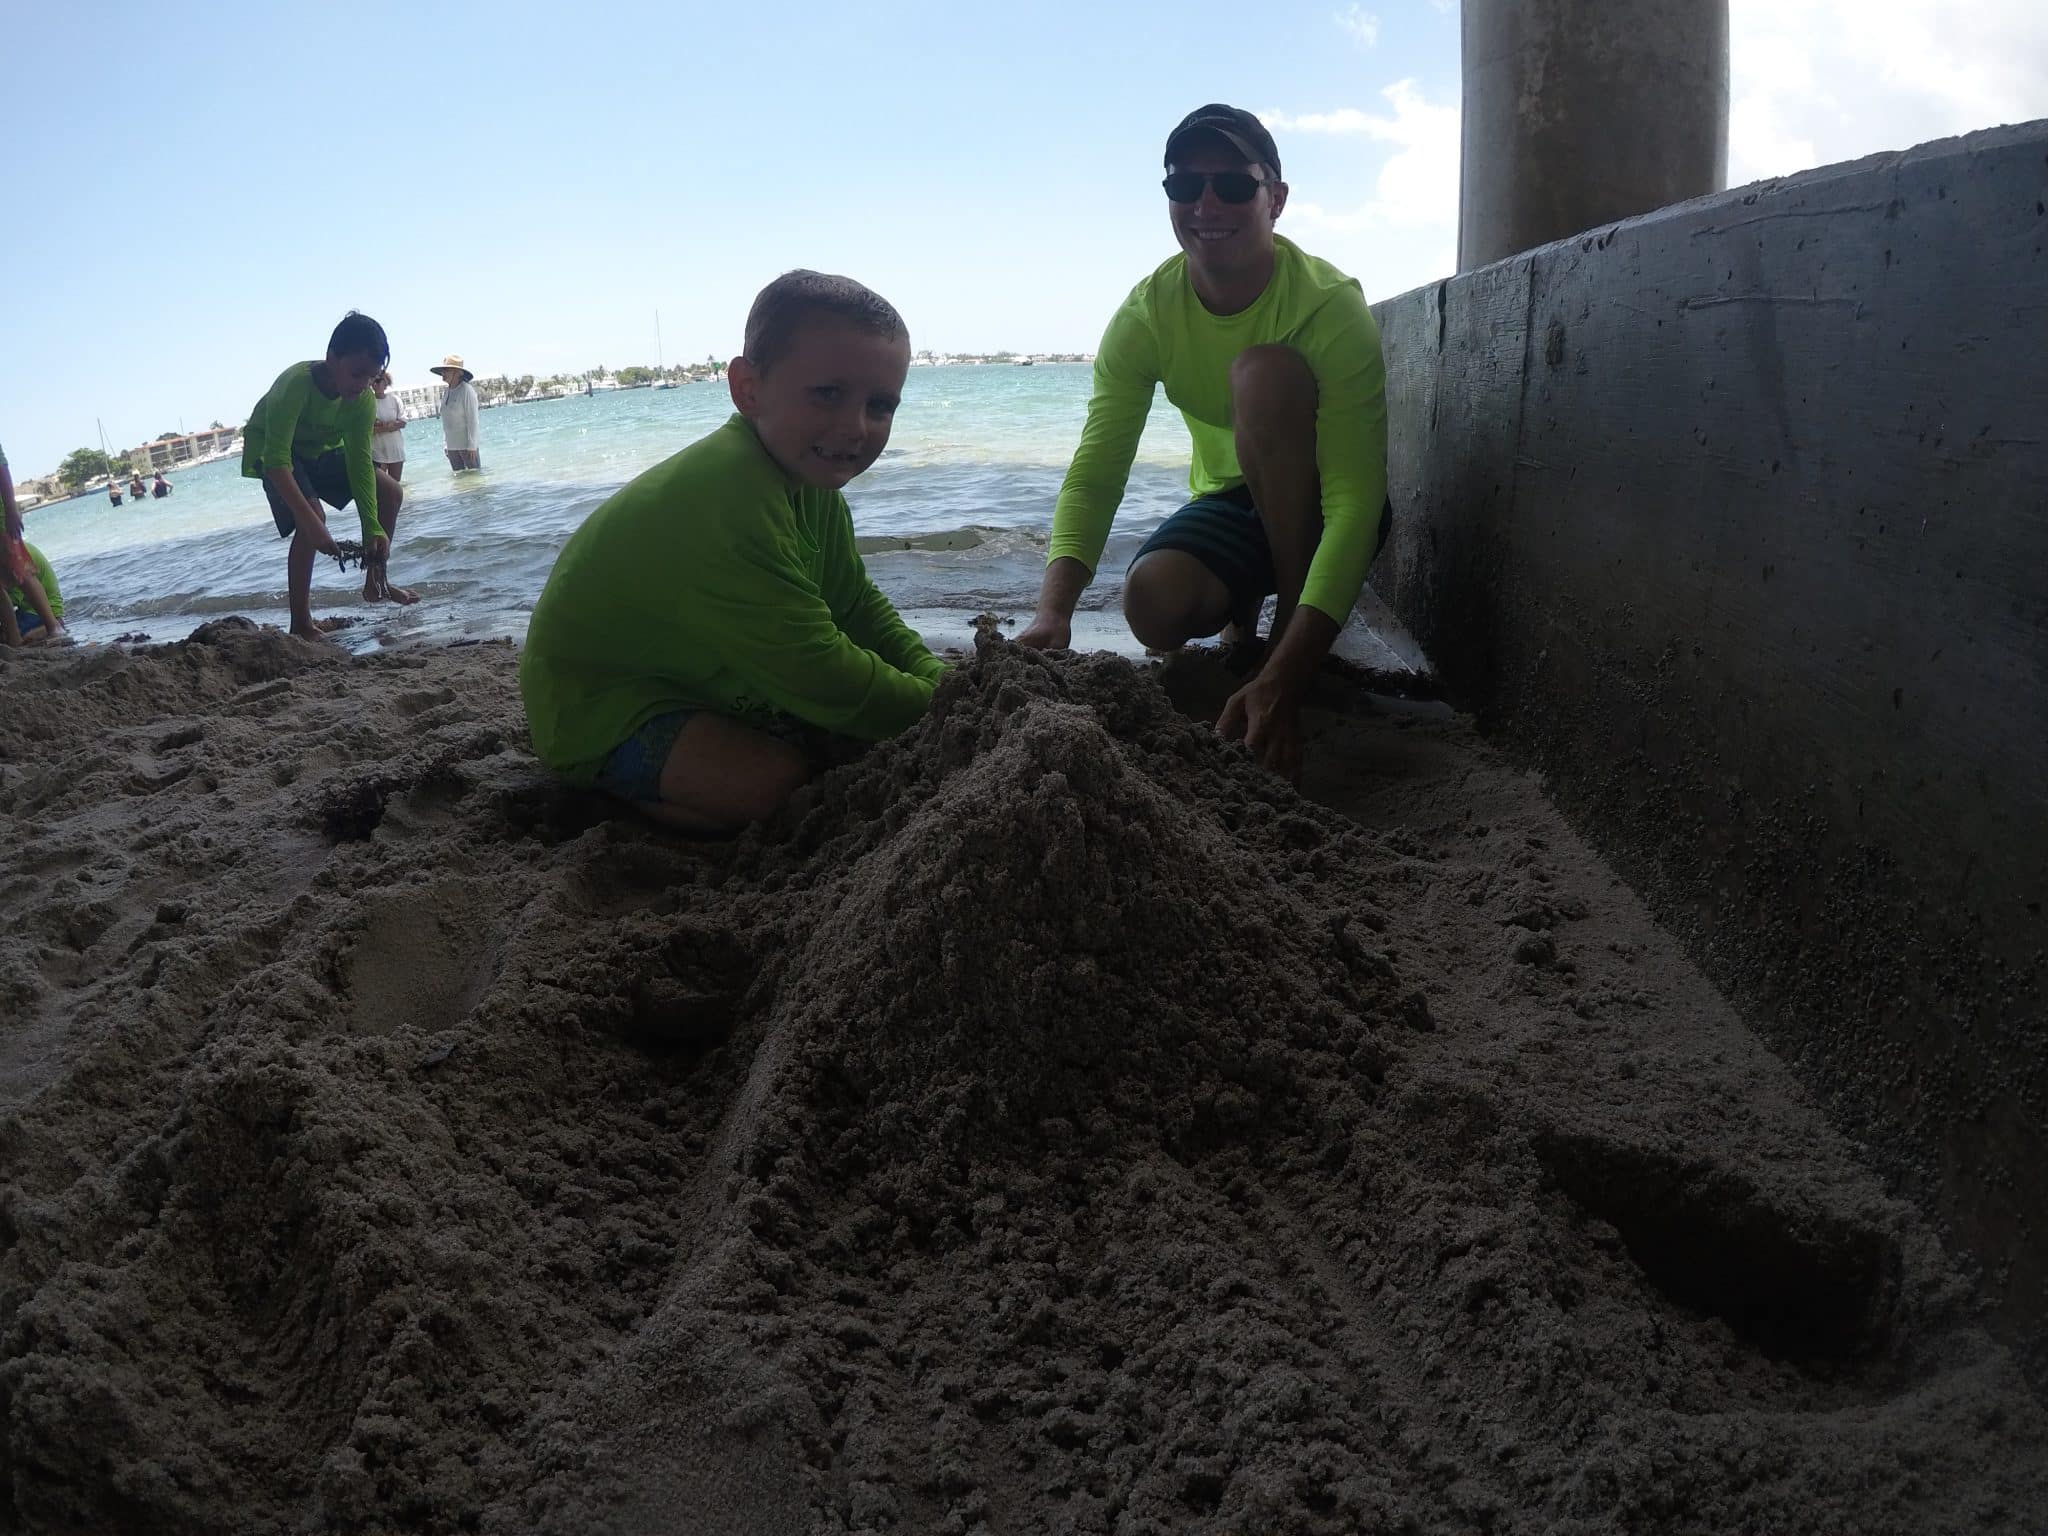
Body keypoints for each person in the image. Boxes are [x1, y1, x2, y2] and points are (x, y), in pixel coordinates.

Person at [1017, 104, 1391, 781]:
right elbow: (1098, 469)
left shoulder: (1328, 305)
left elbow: (1356, 501)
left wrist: (1286, 675)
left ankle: (1284, 643)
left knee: (1262, 374)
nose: (1206, 204)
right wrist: (1053, 613)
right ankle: (1243, 615)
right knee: (1151, 603)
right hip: (1228, 500)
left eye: (1234, 184)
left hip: (1318, 499)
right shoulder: (1146, 315)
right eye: (1185, 185)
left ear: (1276, 199)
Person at [520, 270, 944, 832]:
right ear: (748, 389)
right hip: (598, 704)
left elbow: (854, 605)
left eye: (881, 405)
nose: (855, 427)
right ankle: (606, 799)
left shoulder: (812, 485)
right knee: (778, 784)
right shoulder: (728, 497)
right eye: (828, 394)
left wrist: (936, 678)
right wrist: (937, 709)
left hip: (687, 674)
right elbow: (817, 669)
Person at [239, 310, 416, 639]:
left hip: (321, 451)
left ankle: (376, 583)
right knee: (313, 518)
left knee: (391, 492)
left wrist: (372, 526)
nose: (362, 385)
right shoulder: (295, 384)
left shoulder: (362, 400)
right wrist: (312, 523)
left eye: (372, 377)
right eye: (356, 373)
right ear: (331, 357)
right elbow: (277, 461)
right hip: (276, 451)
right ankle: (301, 623)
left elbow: (360, 462)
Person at [1, 441, 65, 645]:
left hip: (1, 515)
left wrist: (11, 509)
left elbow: (2, 468)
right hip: (22, 608)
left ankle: (53, 625)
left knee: (20, 570)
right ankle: (17, 638)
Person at [5, 541, 65, 640]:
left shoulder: (10, 557)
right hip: (28, 606)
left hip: (44, 608)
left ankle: (55, 624)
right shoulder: (11, 545)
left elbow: (14, 597)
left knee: (7, 636)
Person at [433, 355, 480, 471]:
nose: (443, 373)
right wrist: (446, 444)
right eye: (443, 370)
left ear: (457, 372)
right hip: (452, 447)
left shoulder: (466, 390)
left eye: (447, 370)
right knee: (459, 479)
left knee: (474, 476)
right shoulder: (446, 391)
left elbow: (473, 419)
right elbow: (446, 422)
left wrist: (472, 446)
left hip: (467, 446)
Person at [370, 370, 406, 482]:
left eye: (378, 381)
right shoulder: (369, 402)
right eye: (373, 381)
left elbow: (403, 422)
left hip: (395, 449)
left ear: (385, 382)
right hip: (377, 452)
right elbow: (368, 429)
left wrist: (382, 426)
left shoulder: (395, 400)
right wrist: (388, 427)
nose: (375, 384)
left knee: (396, 483)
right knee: (381, 486)